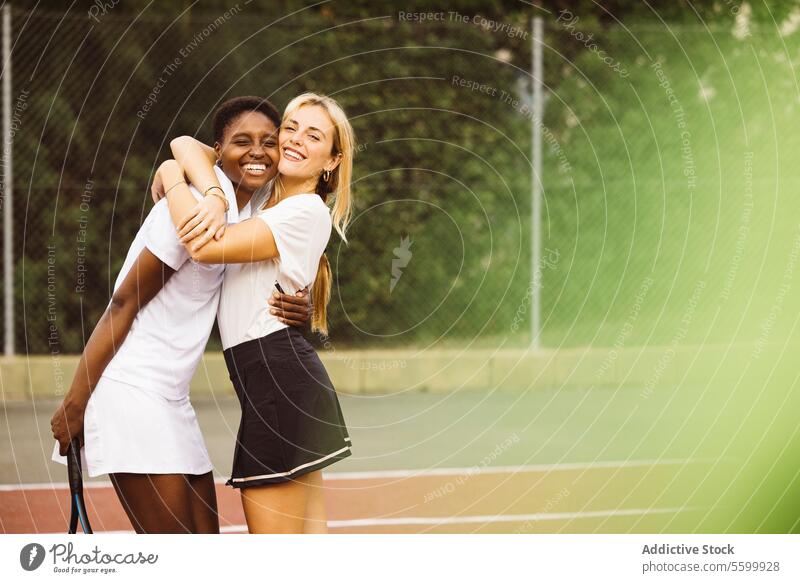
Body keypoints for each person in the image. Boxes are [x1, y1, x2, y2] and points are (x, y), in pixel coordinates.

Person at [50, 96, 310, 533]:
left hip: (173, 402)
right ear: (219, 151)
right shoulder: (190, 203)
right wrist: (75, 405)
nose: (257, 151)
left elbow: (184, 148)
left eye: (269, 141)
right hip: (131, 391)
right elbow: (123, 302)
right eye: (242, 142)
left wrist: (297, 306)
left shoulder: (253, 205)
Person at [155, 92, 354, 533]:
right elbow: (186, 145)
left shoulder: (303, 210)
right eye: (291, 127)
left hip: (278, 381)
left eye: (314, 135)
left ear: (332, 161)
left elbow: (204, 246)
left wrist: (172, 182)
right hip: (282, 381)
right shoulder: (264, 197)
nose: (295, 139)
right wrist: (205, 188)